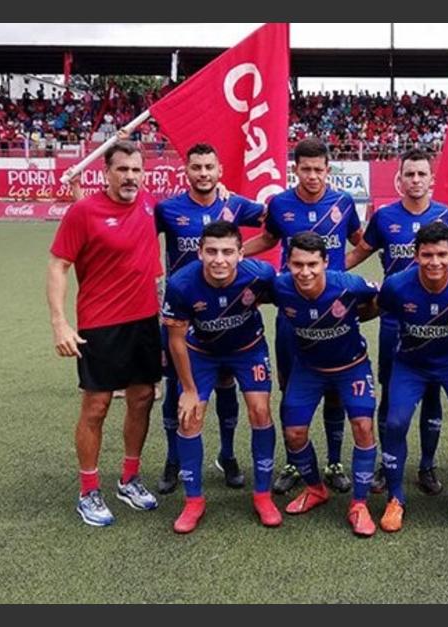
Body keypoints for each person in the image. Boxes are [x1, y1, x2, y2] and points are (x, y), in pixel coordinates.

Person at [47, 140, 161, 527]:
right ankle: (88, 490)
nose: (130, 176)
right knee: (96, 406)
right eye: (123, 169)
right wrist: (60, 322)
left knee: (142, 398)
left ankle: (129, 479)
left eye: (136, 170)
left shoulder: (148, 203)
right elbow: (58, 266)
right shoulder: (83, 212)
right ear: (106, 172)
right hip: (100, 324)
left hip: (145, 320)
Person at [346, 149, 448, 496]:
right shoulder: (385, 218)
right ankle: (389, 463)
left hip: (439, 322)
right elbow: (358, 253)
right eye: (409, 175)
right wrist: (325, 274)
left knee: (432, 392)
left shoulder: (447, 216)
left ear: (432, 179)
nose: (415, 180)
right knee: (391, 393)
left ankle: (426, 466)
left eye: (421, 174)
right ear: (399, 179)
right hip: (394, 322)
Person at [153, 143, 267, 495]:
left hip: (229, 314)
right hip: (184, 315)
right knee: (178, 390)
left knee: (227, 385)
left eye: (209, 167)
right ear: (185, 171)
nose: (203, 173)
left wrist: (241, 256)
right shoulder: (168, 209)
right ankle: (174, 459)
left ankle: (228, 455)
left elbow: (275, 220)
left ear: (220, 171)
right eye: (196, 167)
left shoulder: (235, 205)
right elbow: (140, 240)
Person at [257, 138, 364, 496]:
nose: (313, 176)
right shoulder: (280, 203)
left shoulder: (344, 202)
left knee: (335, 388)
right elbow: (268, 238)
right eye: (306, 169)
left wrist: (340, 274)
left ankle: (334, 463)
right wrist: (235, 253)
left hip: (335, 314)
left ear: (328, 169)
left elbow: (360, 242)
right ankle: (293, 462)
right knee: (290, 386)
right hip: (294, 313)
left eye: (319, 169)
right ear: (296, 169)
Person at [161, 221, 280, 533]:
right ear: (199, 252)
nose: (219, 259)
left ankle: (263, 495)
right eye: (211, 251)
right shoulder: (181, 284)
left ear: (241, 253)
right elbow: (175, 340)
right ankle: (193, 501)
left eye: (228, 252)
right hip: (202, 352)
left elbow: (281, 294)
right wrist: (187, 389)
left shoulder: (260, 274)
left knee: (260, 410)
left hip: (249, 349)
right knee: (189, 416)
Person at [375, 222, 448, 533]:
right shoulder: (396, 285)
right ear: (416, 255)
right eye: (427, 255)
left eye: (441, 254)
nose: (434, 262)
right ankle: (395, 498)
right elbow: (383, 310)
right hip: (410, 365)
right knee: (396, 423)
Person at [270, 232, 380, 537]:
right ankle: (316, 489)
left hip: (353, 368)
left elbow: (380, 299)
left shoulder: (348, 285)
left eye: (312, 265)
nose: (305, 272)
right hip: (309, 369)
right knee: (293, 434)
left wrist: (359, 317)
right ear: (288, 264)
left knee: (362, 426)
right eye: (297, 264)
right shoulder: (279, 286)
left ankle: (359, 504)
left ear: (325, 263)